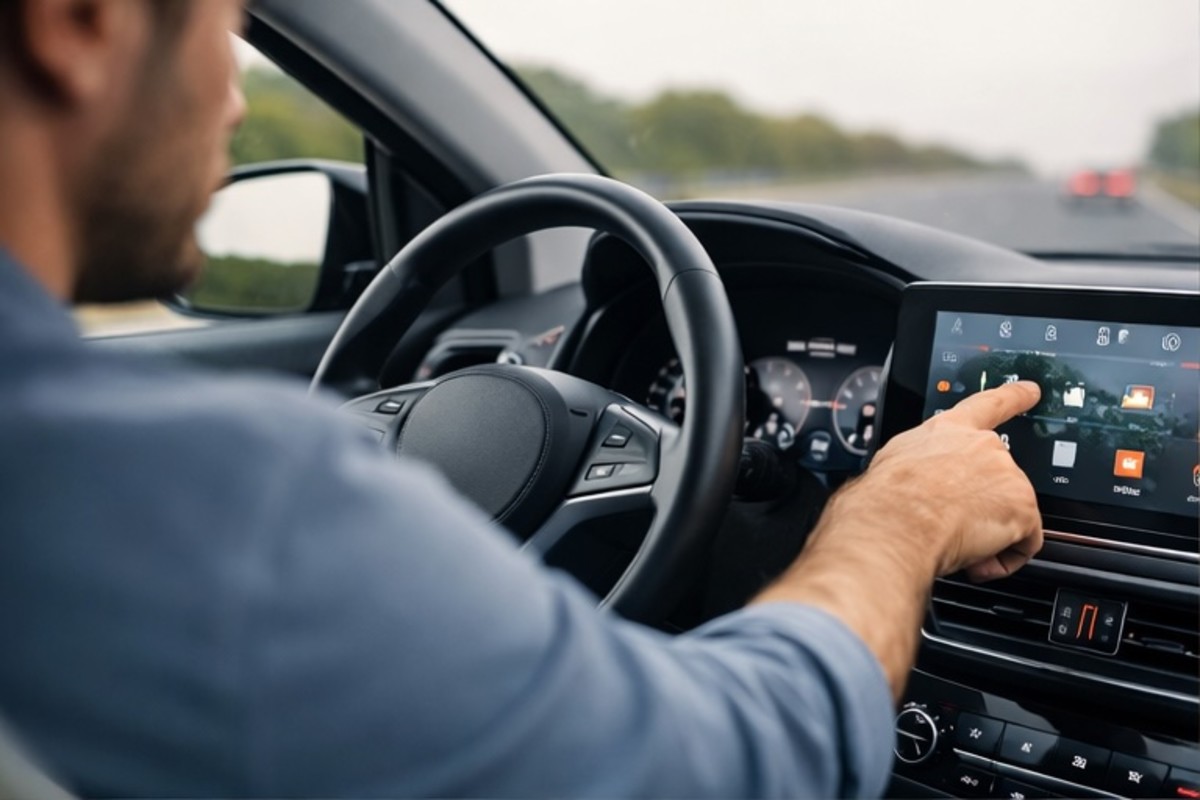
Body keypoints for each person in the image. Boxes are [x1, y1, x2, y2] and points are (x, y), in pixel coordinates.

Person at [0, 0, 1044, 796]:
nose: (233, 95)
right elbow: (730, 758)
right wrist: (898, 513)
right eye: (228, 25)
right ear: (76, 21)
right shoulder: (227, 514)